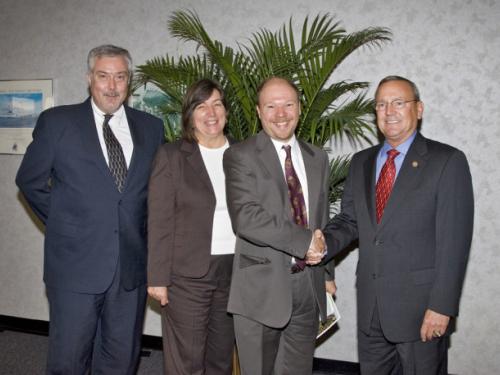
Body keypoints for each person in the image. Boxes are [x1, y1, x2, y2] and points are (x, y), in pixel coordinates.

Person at [15, 44, 164, 374]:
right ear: (89, 78)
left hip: (130, 270)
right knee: (69, 359)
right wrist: (66, 223)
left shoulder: (151, 128)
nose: (112, 86)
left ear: (130, 81)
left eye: (120, 77)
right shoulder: (57, 122)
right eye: (103, 76)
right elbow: (30, 180)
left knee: (121, 359)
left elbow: (155, 195)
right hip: (74, 266)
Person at [322, 75, 474, 374]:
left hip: (421, 312)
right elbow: (350, 221)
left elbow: (454, 243)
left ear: (418, 109)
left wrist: (442, 307)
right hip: (371, 311)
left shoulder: (447, 161)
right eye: (381, 104)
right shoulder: (361, 162)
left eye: (398, 102)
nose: (388, 111)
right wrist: (321, 244)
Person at [223, 77, 336, 375]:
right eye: (271, 106)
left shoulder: (317, 158)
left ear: (299, 108)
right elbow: (246, 217)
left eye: (288, 104)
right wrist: (304, 241)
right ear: (259, 112)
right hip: (260, 287)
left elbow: (320, 219)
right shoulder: (240, 155)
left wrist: (325, 273)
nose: (281, 113)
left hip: (307, 286)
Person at [147, 79, 236, 375]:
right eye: (201, 106)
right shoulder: (172, 156)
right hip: (186, 276)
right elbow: (159, 220)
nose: (211, 113)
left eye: (217, 104)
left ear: (226, 111)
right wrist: (157, 278)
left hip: (235, 272)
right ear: (190, 115)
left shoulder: (244, 154)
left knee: (221, 359)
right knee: (187, 361)